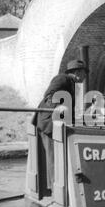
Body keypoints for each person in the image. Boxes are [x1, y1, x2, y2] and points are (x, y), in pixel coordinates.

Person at [33, 59, 87, 194]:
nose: (85, 76)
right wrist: (60, 107)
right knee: (53, 156)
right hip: (50, 123)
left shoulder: (73, 84)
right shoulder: (62, 78)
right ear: (77, 72)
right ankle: (56, 191)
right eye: (84, 73)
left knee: (57, 156)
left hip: (56, 122)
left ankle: (59, 187)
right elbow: (49, 96)